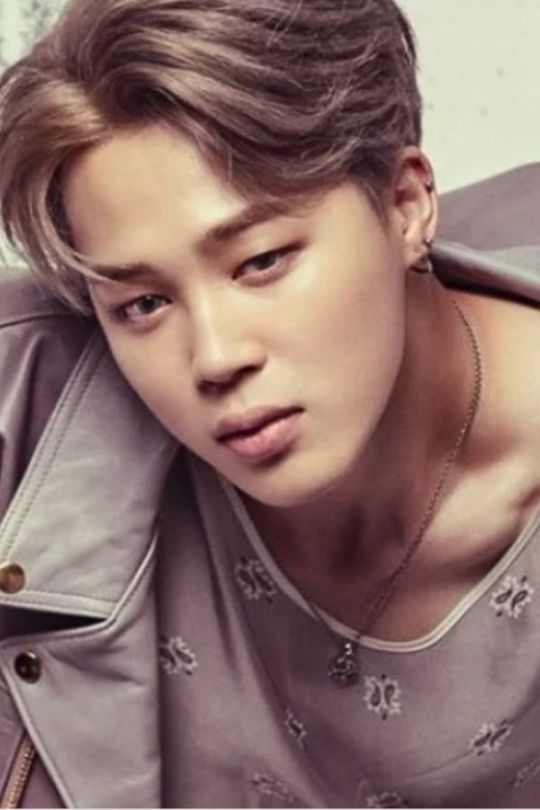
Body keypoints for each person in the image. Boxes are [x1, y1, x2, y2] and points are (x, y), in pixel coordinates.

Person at [0, 0, 539, 806]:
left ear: (405, 205)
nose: (215, 357)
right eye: (144, 303)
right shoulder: (24, 407)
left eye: (260, 262)